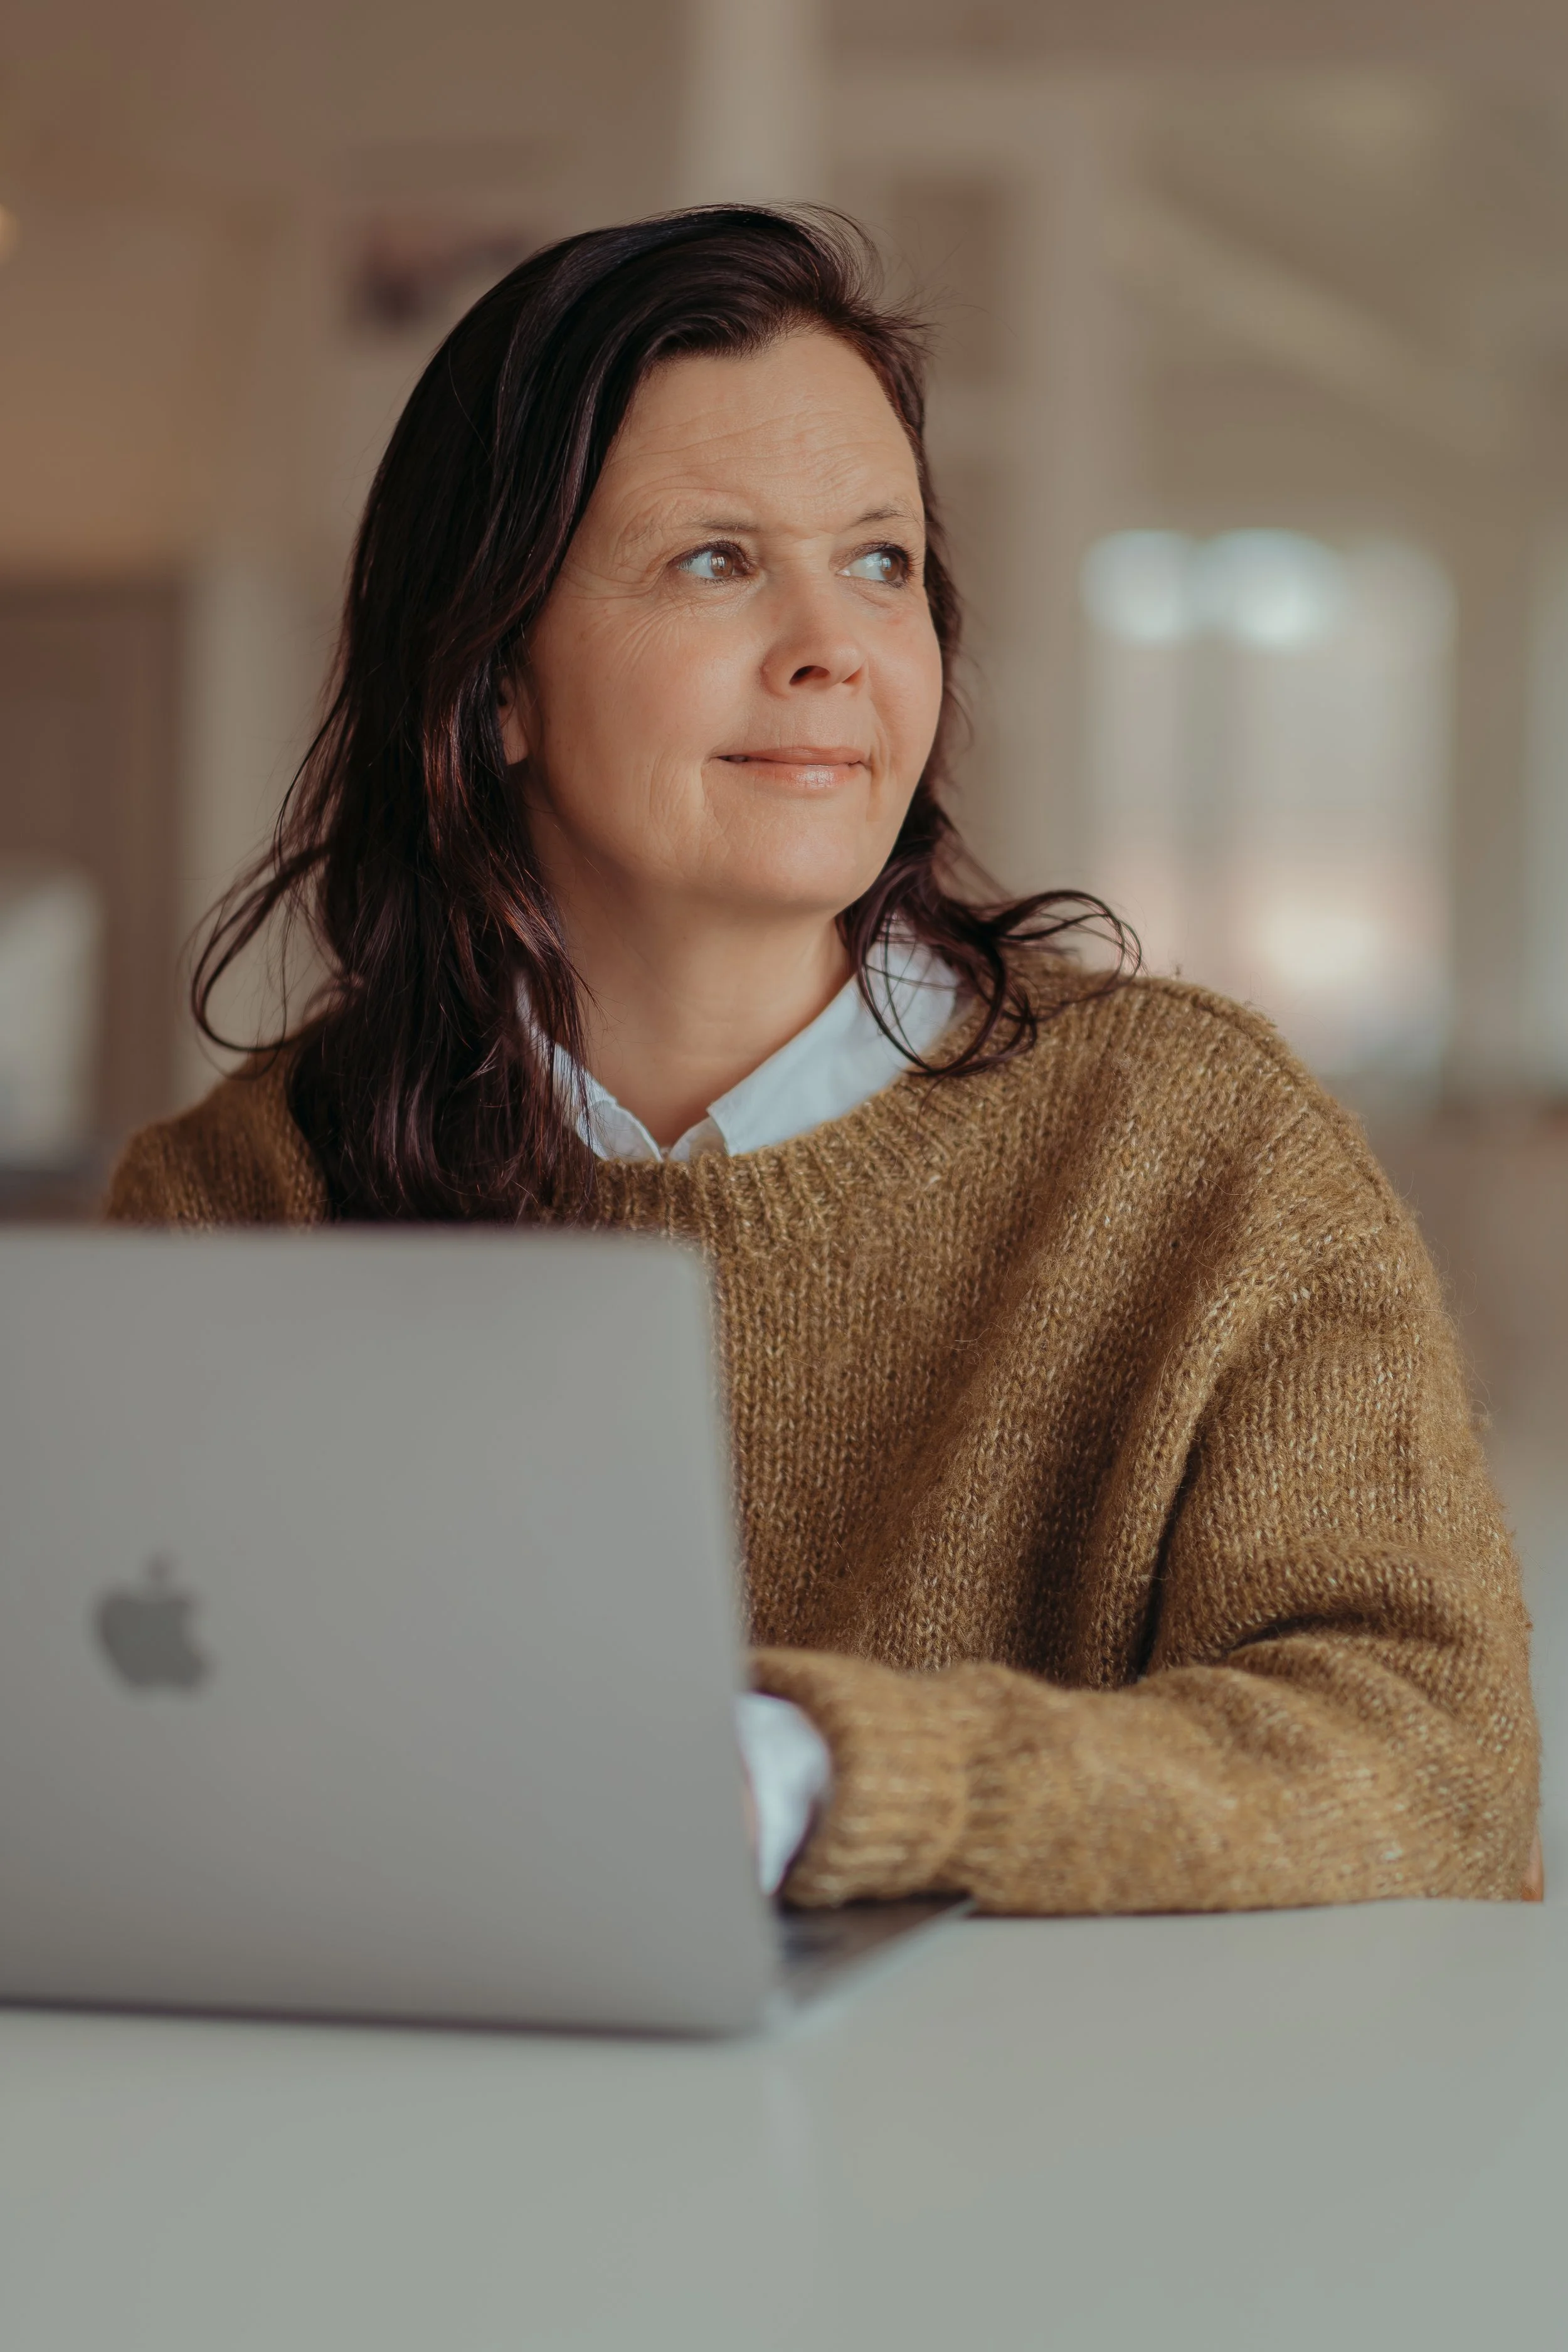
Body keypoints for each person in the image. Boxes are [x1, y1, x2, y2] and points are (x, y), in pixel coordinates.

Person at [107, 206, 1540, 1912]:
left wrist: (815, 1776)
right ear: (491, 678)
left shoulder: (1196, 1147)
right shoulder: (237, 1195)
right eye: (714, 560)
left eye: (880, 562)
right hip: (418, 2152)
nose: (834, 647)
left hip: (1058, 2169)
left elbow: (1435, 1762)